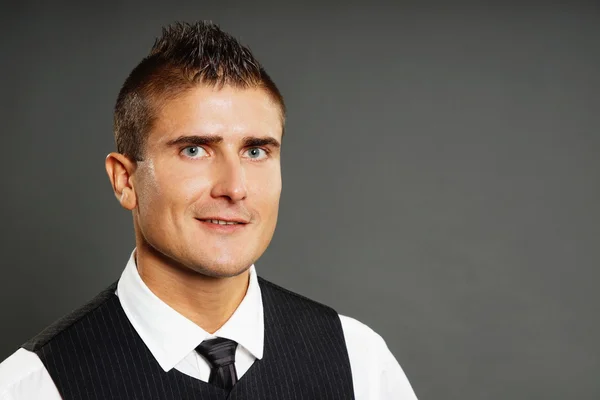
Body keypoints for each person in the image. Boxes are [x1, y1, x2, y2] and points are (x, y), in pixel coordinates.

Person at [0, 21, 418, 399]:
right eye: (194, 149)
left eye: (255, 151)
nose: (234, 188)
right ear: (125, 180)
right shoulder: (34, 387)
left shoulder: (359, 364)